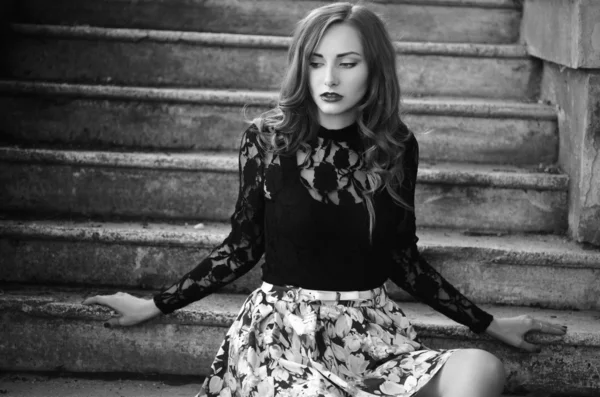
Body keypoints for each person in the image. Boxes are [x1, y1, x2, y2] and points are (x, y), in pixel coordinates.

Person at [83, 3, 568, 397]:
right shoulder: (267, 139)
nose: (329, 77)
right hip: (281, 334)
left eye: (347, 62)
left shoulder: (395, 146)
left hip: (370, 330)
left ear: (373, 69)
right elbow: (243, 246)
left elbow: (402, 257)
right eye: (316, 62)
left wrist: (488, 325)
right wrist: (156, 305)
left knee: (481, 372)